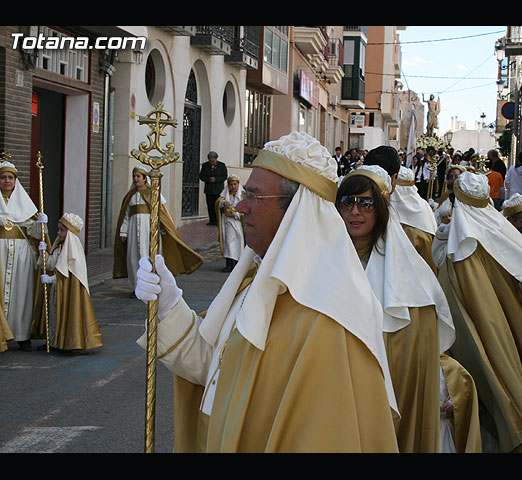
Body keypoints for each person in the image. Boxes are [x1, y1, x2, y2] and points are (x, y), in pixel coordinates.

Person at [134, 131, 399, 453]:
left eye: (254, 196)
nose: (241, 207)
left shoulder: (329, 317)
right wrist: (169, 305)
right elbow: (214, 368)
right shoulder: (258, 282)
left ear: (297, 210)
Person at [432, 171, 522, 453]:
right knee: (506, 369)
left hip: (470, 330)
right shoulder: (501, 233)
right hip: (502, 327)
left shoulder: (461, 246)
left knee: (485, 376)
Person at [337, 164, 457, 453]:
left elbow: (425, 347)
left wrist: (441, 389)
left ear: (380, 209)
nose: (355, 212)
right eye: (348, 202)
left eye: (366, 203)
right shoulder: (320, 259)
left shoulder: (411, 275)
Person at [113, 166, 202, 296]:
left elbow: (162, 214)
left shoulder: (153, 194)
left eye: (138, 176)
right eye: (134, 176)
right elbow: (126, 215)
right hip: (133, 232)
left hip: (149, 232)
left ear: (145, 179)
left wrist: (162, 228)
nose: (136, 179)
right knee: (133, 259)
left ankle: (153, 286)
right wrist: (123, 231)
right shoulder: (130, 196)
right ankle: (137, 287)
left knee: (150, 257)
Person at [33, 213, 103, 352]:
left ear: (70, 232)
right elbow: (52, 265)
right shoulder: (59, 246)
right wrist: (44, 253)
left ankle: (69, 342)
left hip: (67, 291)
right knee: (54, 315)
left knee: (65, 315)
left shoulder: (73, 250)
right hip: (56, 290)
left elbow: (68, 275)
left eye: (62, 230)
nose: (58, 233)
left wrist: (51, 279)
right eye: (58, 229)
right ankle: (53, 341)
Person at [0, 160, 46, 351]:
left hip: (21, 255)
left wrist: (41, 224)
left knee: (21, 293)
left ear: (15, 181)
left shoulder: (25, 204)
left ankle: (21, 334)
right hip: (0, 252)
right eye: (3, 177)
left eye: (10, 178)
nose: (6, 181)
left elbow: (35, 232)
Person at [215, 174, 245, 273]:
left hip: (238, 223)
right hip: (227, 223)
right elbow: (217, 204)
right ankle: (229, 263)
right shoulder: (224, 197)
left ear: (238, 185)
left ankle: (237, 263)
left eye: (235, 184)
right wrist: (223, 203)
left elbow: (245, 211)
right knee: (228, 242)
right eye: (231, 184)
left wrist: (236, 215)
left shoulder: (242, 197)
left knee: (238, 242)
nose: (233, 186)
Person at [199, 151, 228, 226]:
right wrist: (209, 179)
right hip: (209, 190)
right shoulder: (205, 166)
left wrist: (216, 179)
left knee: (218, 205)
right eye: (210, 161)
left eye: (213, 161)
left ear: (216, 159)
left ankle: (219, 220)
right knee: (210, 205)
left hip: (218, 189)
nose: (212, 162)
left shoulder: (222, 165)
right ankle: (212, 220)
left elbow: (224, 176)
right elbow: (201, 176)